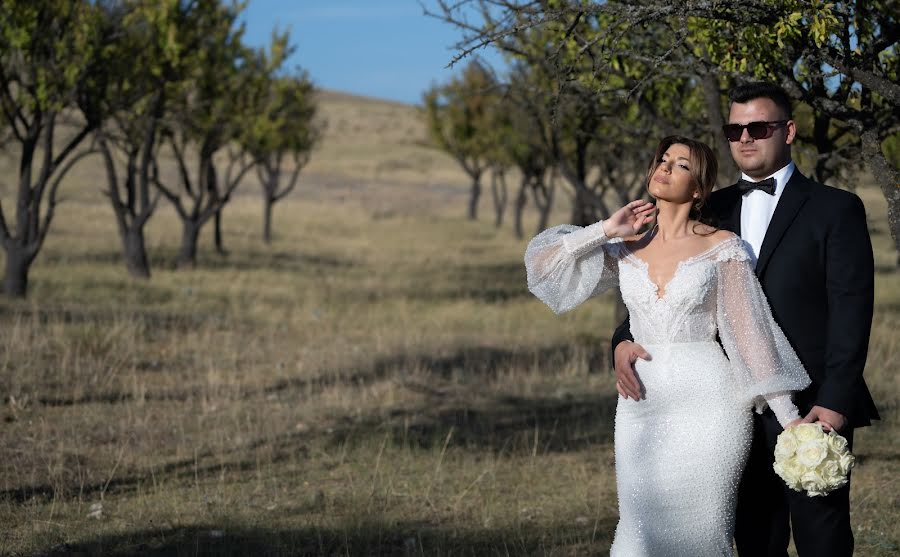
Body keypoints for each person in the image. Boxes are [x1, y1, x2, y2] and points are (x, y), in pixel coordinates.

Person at [612, 82, 878, 556]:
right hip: (724, 404)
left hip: (812, 401)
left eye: (759, 127)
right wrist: (619, 342)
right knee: (753, 536)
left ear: (789, 131)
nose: (745, 138)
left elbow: (852, 312)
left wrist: (836, 400)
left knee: (822, 537)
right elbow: (656, 289)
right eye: (735, 129)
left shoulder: (836, 209)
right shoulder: (706, 206)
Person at [525, 135, 811, 556]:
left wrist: (791, 420)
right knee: (640, 532)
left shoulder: (722, 247)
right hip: (642, 404)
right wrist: (605, 229)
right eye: (663, 159)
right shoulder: (625, 246)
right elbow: (542, 270)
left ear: (698, 189)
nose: (665, 167)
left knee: (704, 532)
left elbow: (750, 333)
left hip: (712, 404)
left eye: (680, 164)